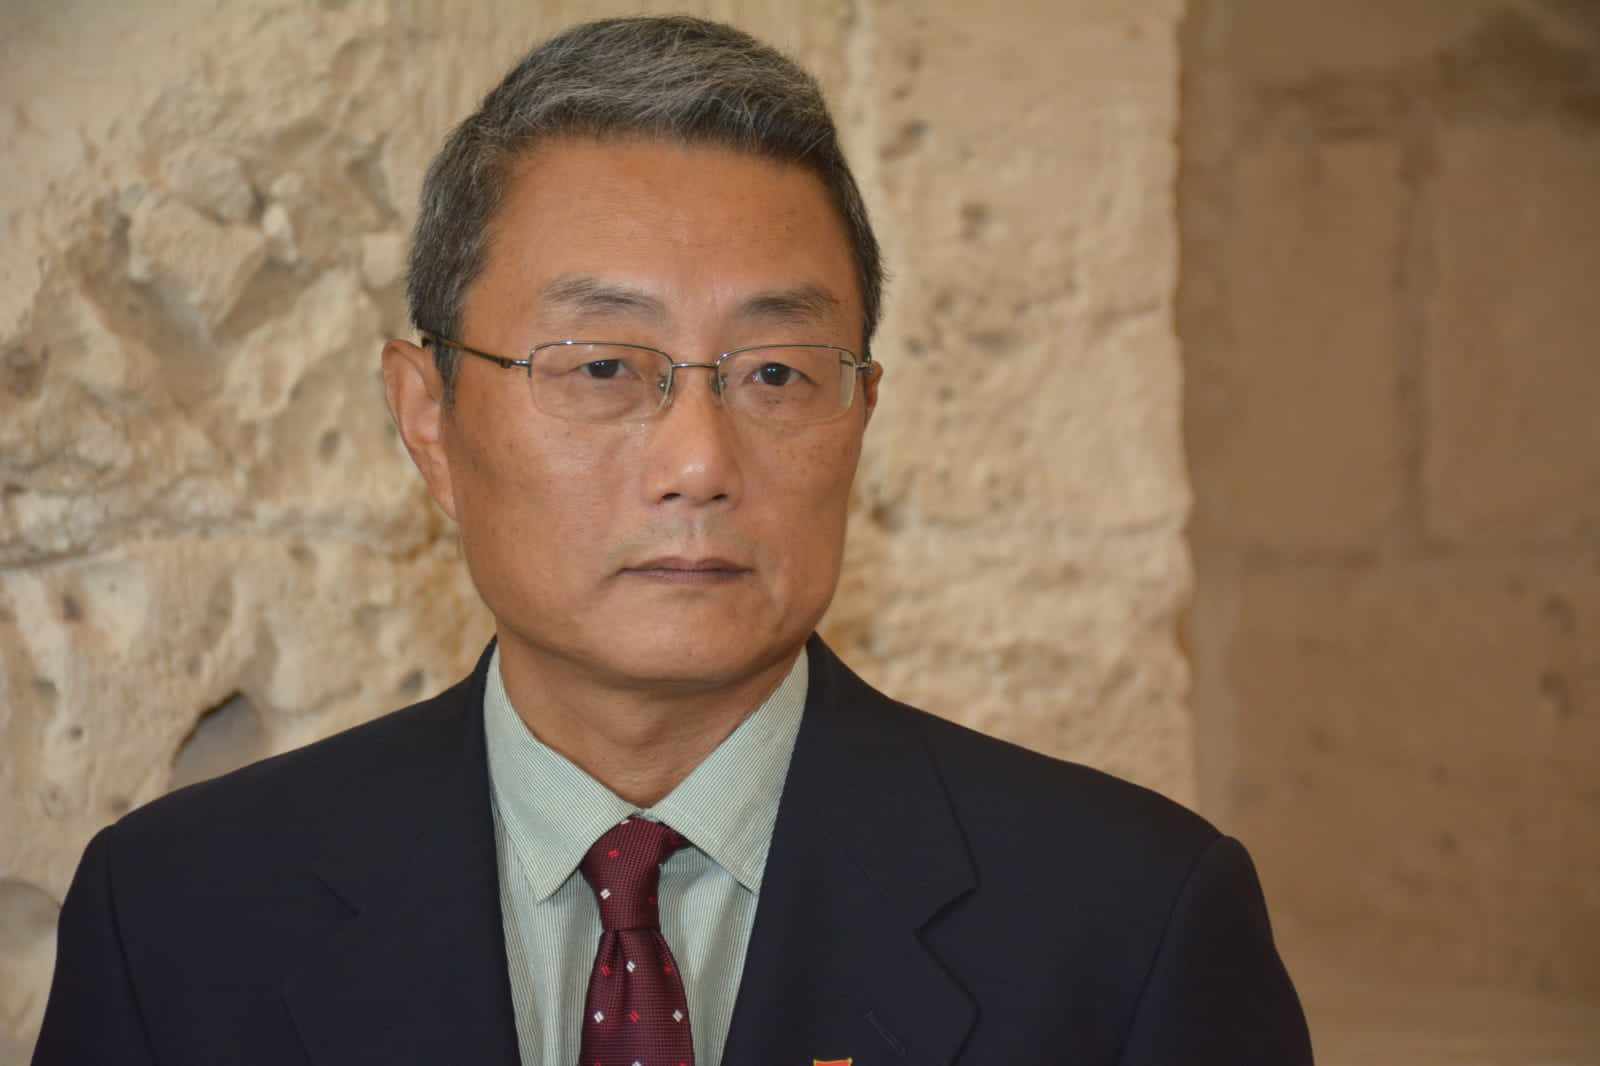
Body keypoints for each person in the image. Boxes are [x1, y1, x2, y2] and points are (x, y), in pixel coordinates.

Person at [33, 15, 1312, 1066]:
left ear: (862, 415)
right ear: (428, 420)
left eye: (775, 373)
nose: (698, 463)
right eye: (601, 365)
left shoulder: (1127, 927)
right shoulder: (182, 916)